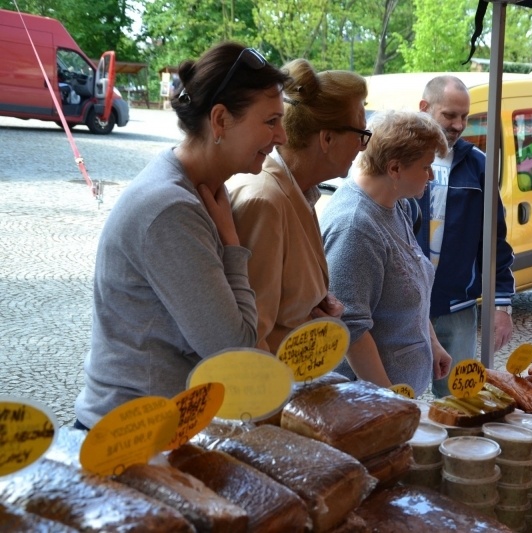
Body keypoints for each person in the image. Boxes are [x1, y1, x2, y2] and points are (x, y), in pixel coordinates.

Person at [74, 42, 290, 429]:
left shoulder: (196, 187)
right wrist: (232, 246)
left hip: (165, 426)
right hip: (132, 438)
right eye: (271, 121)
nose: (282, 137)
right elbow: (233, 351)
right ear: (220, 120)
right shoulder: (172, 209)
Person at [228, 59, 367, 352]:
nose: (362, 146)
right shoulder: (265, 202)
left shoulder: (298, 192)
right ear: (327, 138)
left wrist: (316, 315)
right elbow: (249, 336)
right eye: (360, 134)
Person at [320, 110, 452, 396]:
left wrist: (432, 343)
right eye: (426, 166)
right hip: (365, 402)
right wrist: (390, 401)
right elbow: (351, 329)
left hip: (395, 396)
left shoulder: (397, 203)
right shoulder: (355, 228)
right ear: (395, 169)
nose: (431, 175)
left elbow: (410, 282)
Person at [417, 75, 515, 398]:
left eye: (465, 117)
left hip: (457, 309)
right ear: (425, 108)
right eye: (449, 115)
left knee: (459, 401)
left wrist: (502, 305)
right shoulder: (401, 160)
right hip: (406, 307)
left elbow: (494, 241)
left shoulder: (479, 166)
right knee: (399, 400)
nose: (459, 125)